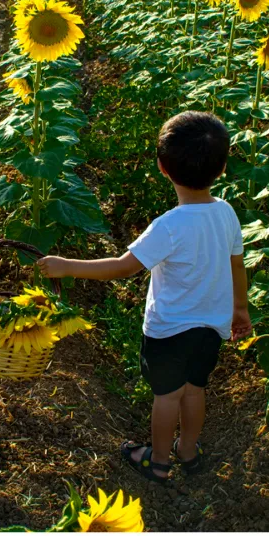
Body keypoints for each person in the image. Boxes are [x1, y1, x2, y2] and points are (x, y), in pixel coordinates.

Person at [37, 111, 252, 483]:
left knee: (167, 396)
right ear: (221, 169)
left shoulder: (168, 226)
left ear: (162, 168)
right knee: (195, 389)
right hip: (211, 327)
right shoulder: (227, 213)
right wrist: (240, 309)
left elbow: (124, 267)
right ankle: (188, 450)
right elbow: (237, 265)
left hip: (169, 331)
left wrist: (67, 265)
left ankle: (159, 462)